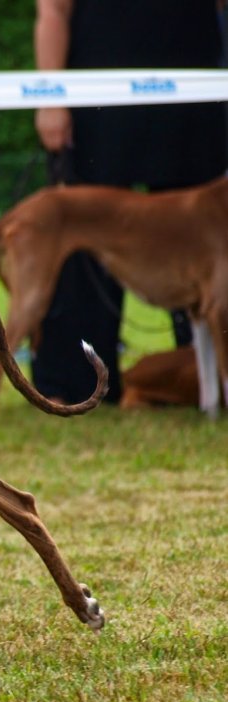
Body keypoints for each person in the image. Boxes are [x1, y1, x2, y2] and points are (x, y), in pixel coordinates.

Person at [31, 0, 228, 404]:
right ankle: (76, 384)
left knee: (207, 245)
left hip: (195, 91)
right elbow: (53, 10)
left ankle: (206, 384)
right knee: (84, 239)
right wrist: (51, 98)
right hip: (98, 93)